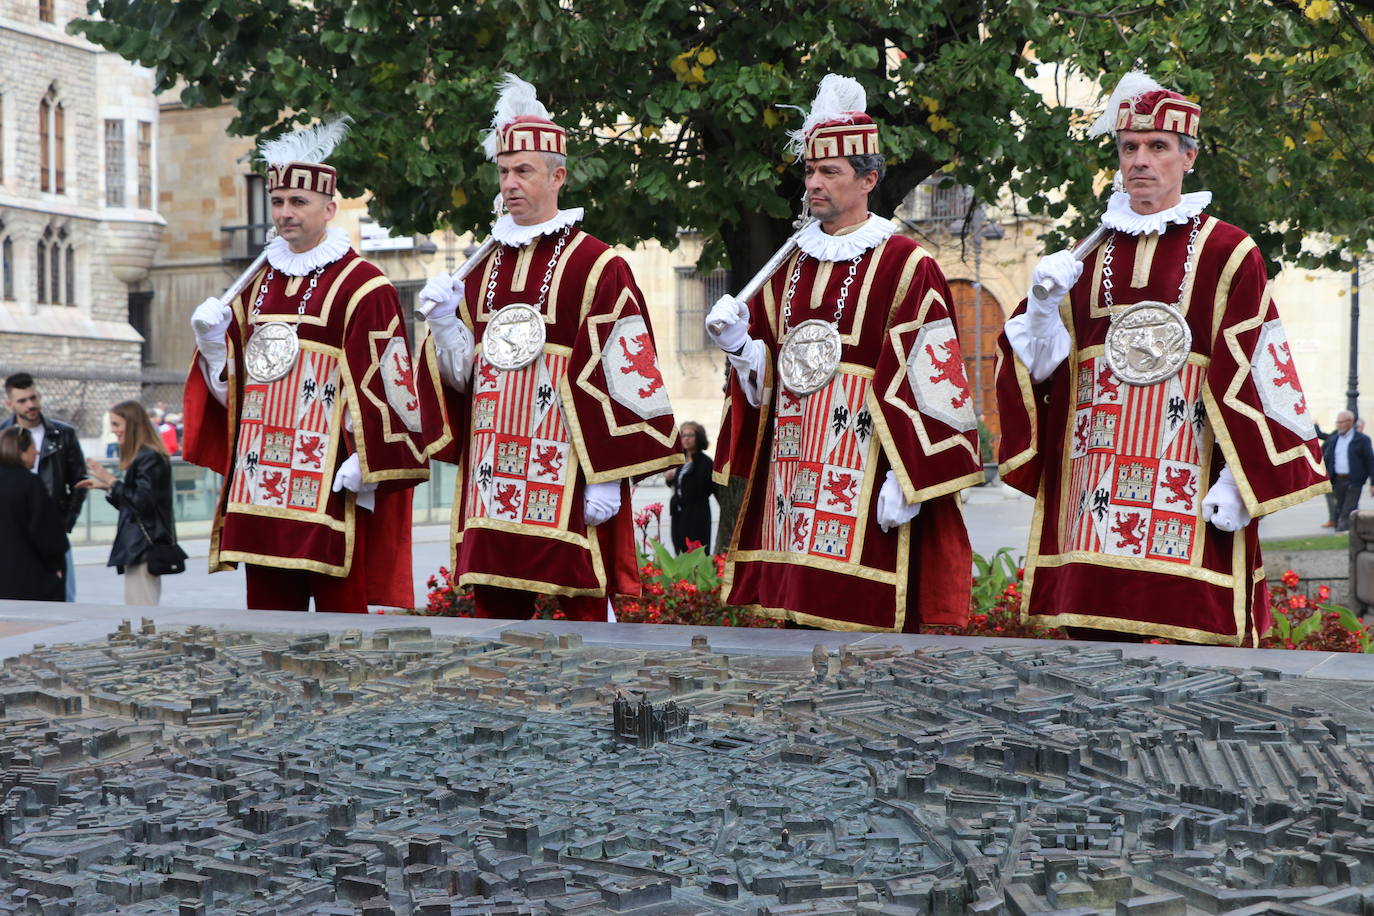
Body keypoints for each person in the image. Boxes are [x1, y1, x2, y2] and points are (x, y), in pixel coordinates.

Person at [995, 71, 1328, 646]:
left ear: (1188, 157)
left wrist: (1239, 482)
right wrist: (1044, 308)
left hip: (1185, 486)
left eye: (1158, 147)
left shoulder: (1229, 251)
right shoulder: (1085, 254)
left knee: (1188, 666)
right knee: (1088, 659)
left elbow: (1258, 367)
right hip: (1090, 492)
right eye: (1129, 148)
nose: (1140, 161)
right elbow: (1042, 370)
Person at [706, 74, 983, 632]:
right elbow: (771, 382)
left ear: (869, 179)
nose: (813, 183)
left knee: (867, 640)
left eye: (829, 172)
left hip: (867, 476)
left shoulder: (908, 263)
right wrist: (739, 346)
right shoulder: (785, 266)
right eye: (809, 171)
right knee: (796, 629)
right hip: (792, 473)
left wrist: (907, 481)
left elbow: (933, 382)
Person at [421, 75, 679, 620]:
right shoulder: (480, 266)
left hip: (568, 483)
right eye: (503, 172)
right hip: (491, 485)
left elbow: (628, 376)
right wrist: (445, 324)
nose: (510, 184)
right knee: (494, 627)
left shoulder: (598, 265)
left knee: (585, 628)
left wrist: (610, 480)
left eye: (524, 171)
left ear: (558, 176)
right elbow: (464, 380)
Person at [181, 119, 448, 613]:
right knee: (269, 632)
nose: (285, 213)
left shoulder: (365, 286)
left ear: (329, 209)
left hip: (329, 487)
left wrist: (366, 464)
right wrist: (213, 345)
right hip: (260, 489)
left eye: (298, 202)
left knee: (340, 633)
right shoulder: (253, 285)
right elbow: (235, 398)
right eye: (278, 201)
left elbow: (394, 386)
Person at [76, 401, 175, 606]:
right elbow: (134, 502)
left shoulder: (149, 457)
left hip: (143, 547)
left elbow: (142, 503)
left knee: (141, 614)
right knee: (141, 610)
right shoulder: (146, 456)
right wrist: (107, 486)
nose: (114, 431)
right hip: (141, 546)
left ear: (133, 424)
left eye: (117, 424)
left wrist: (110, 480)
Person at [1, 372, 87, 600]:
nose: (31, 405)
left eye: (33, 397)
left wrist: (64, 524)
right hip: (12, 533)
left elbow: (79, 482)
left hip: (52, 528)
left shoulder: (63, 434)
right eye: (22, 400)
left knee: (62, 596)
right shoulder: (3, 435)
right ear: (9, 403)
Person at [0, 426, 68, 602]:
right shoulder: (29, 483)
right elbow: (44, 531)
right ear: (20, 451)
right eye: (32, 447)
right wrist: (56, 563)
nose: (36, 452)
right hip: (28, 575)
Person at [664, 421, 716, 554]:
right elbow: (677, 485)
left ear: (698, 437)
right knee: (680, 550)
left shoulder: (706, 462)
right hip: (679, 514)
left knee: (698, 551)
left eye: (690, 435)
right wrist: (670, 478)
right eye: (683, 435)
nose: (686, 438)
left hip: (697, 514)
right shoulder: (680, 461)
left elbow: (709, 487)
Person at [1321, 410, 1372, 531]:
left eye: (1341, 422)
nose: (1338, 425)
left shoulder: (1362, 439)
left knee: (1349, 507)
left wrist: (1373, 483)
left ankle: (1341, 530)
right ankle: (1353, 531)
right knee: (1341, 506)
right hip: (1338, 480)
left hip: (1354, 481)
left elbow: (1370, 461)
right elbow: (1327, 458)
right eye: (1337, 422)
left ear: (1350, 422)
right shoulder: (1334, 439)